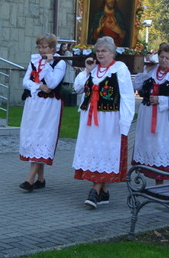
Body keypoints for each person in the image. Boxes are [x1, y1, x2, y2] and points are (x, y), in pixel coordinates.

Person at [71, 37, 134, 208]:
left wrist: (125, 122)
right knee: (95, 152)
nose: (100, 54)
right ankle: (103, 192)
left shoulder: (120, 69)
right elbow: (77, 88)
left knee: (105, 152)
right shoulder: (94, 70)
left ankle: (95, 191)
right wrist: (87, 70)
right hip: (90, 120)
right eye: (98, 51)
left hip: (110, 120)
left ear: (112, 53)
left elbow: (128, 97)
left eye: (104, 51)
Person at [131, 43, 169, 180]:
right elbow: (135, 85)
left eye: (167, 58)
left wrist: (161, 100)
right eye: (161, 57)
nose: (163, 60)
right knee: (146, 144)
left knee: (162, 145)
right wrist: (145, 72)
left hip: (166, 116)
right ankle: (142, 177)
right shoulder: (152, 70)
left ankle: (160, 181)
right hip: (147, 114)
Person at [18, 33, 67, 191]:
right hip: (33, 104)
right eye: (39, 47)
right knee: (34, 137)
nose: (41, 50)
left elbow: (52, 83)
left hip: (49, 106)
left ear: (52, 48)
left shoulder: (59, 63)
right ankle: (41, 179)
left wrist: (47, 64)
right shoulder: (34, 60)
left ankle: (29, 180)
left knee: (42, 137)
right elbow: (26, 81)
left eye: (44, 47)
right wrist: (38, 86)